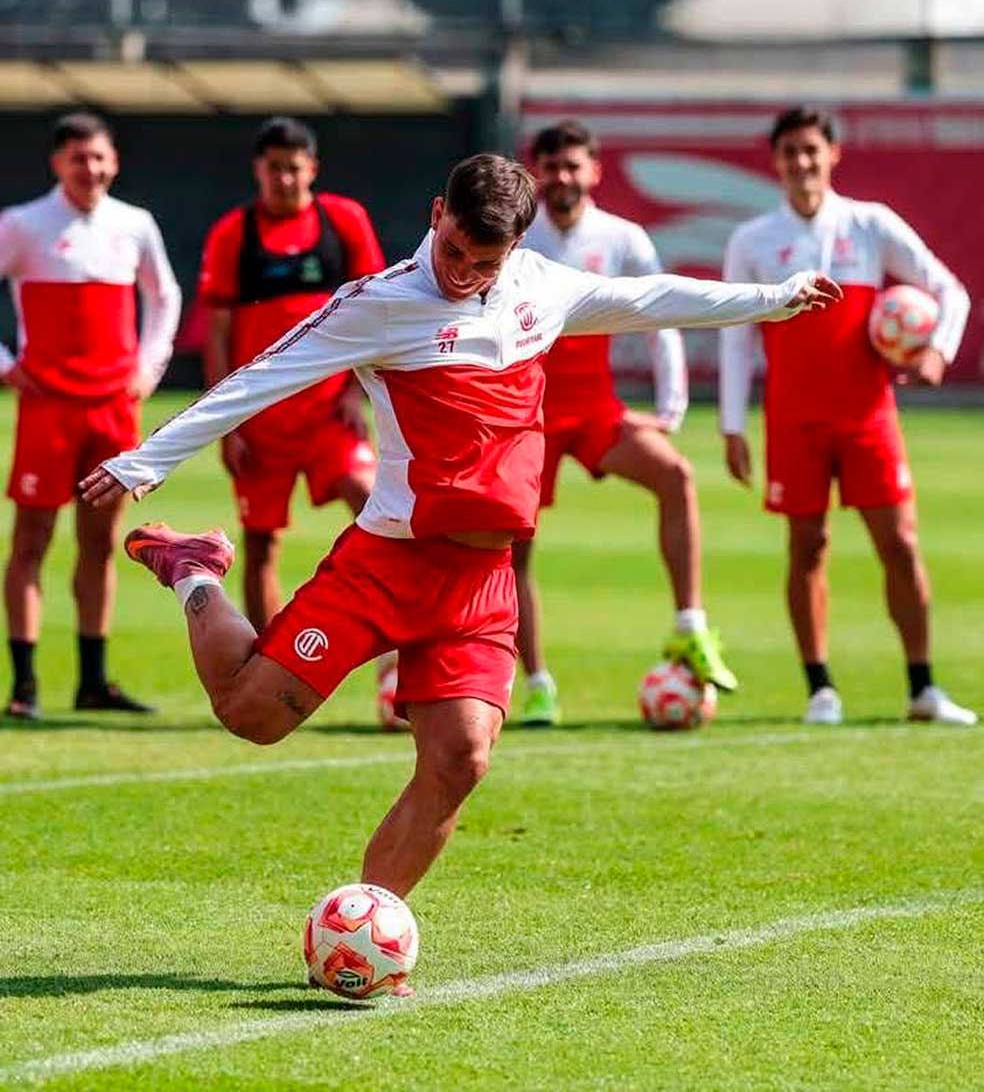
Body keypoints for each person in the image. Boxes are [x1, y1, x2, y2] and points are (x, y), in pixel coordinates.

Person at [81, 154, 838, 910]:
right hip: (388, 564)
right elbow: (258, 377)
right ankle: (193, 568)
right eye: (454, 251)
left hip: (481, 586)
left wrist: (776, 297)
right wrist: (145, 462)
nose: (463, 273)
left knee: (461, 758)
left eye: (485, 261)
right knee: (250, 716)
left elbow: (649, 297)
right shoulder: (378, 304)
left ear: (513, 249)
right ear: (437, 213)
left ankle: (364, 934)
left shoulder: (539, 287)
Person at [720, 105, 973, 727]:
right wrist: (731, 424)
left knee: (902, 544)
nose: (802, 162)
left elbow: (949, 291)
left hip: (867, 416)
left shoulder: (869, 225)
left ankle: (923, 687)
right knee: (807, 547)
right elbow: (734, 337)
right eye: (790, 153)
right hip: (793, 418)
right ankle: (820, 690)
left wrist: (938, 349)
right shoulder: (752, 241)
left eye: (812, 150)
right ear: (775, 162)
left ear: (833, 155)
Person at [514, 119, 732, 727]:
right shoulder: (517, 237)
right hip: (526, 413)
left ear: (594, 170)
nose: (563, 176)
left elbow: (662, 314)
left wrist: (670, 410)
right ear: (537, 173)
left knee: (675, 476)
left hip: (594, 408)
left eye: (573, 164)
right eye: (551, 165)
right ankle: (536, 684)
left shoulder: (622, 238)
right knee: (514, 552)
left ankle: (690, 625)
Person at [197, 116, 399, 726]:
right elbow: (220, 329)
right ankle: (272, 668)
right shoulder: (236, 232)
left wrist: (356, 391)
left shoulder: (343, 222)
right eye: (273, 167)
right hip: (260, 415)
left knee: (374, 504)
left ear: (313, 168)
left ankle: (397, 662)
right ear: (259, 171)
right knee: (261, 543)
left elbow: (377, 303)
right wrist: (225, 419)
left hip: (328, 409)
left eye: (294, 166)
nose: (284, 178)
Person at [0, 112, 181, 720]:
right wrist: (5, 365)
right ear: (58, 163)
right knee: (31, 541)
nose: (91, 169)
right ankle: (24, 685)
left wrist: (147, 370)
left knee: (100, 544)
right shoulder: (23, 224)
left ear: (115, 161)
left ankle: (93, 680)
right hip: (47, 408)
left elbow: (166, 296)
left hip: (111, 409)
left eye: (100, 158)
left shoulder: (135, 224)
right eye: (79, 158)